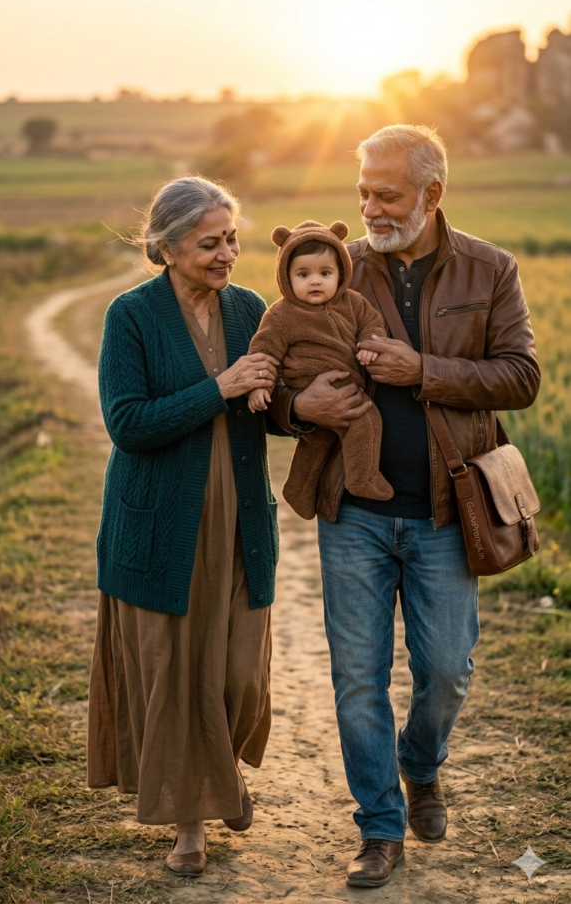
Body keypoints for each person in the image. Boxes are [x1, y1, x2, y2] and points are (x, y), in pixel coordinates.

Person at [270, 125, 540, 888]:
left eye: (386, 195)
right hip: (350, 511)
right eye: (363, 192)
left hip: (449, 511)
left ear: (432, 193)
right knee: (358, 677)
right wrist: (298, 407)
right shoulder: (333, 264)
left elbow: (521, 377)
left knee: (447, 670)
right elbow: (274, 367)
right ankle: (380, 827)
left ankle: (420, 764)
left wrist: (423, 369)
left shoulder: (491, 269)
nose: (370, 209)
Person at [87, 176, 283, 877]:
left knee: (239, 675)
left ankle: (220, 775)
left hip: (239, 522)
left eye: (231, 238)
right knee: (176, 677)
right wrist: (219, 389)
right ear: (166, 248)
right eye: (209, 244)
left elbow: (272, 402)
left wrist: (298, 399)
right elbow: (128, 423)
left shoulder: (250, 309)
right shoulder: (131, 316)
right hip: (161, 529)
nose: (227, 253)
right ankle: (191, 826)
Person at [247, 219, 393, 519]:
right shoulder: (282, 315)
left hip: (346, 384)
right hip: (308, 384)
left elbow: (372, 323)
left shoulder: (353, 303)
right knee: (366, 419)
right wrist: (259, 386)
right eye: (303, 274)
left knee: (317, 441)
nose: (315, 281)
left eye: (325, 273)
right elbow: (263, 352)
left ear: (341, 273)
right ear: (286, 277)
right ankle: (362, 478)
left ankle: (298, 490)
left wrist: (370, 343)